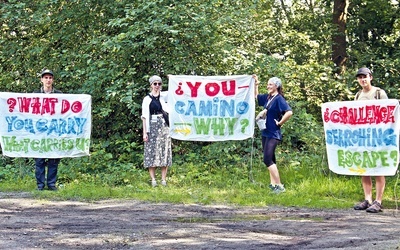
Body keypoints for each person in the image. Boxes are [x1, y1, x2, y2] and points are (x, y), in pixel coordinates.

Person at [353, 67, 388, 213]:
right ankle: (367, 199)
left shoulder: (379, 93)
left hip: (378, 137)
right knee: (364, 169)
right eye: (360, 77)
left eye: (365, 76)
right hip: (362, 137)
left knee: (378, 168)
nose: (363, 79)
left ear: (370, 77)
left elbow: (388, 112)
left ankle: (378, 201)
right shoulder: (358, 95)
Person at [253, 75, 293, 194]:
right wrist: (256, 83)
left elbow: (289, 112)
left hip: (273, 133)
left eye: (270, 84)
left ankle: (280, 186)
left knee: (267, 159)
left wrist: (280, 123)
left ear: (277, 86)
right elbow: (256, 97)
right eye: (268, 84)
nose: (268, 86)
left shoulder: (279, 98)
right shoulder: (268, 97)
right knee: (271, 159)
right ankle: (273, 185)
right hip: (265, 131)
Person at [33, 68, 62, 191]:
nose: (48, 80)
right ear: (41, 80)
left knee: (53, 159)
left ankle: (51, 184)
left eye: (50, 78)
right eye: (46, 78)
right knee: (39, 160)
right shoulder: (34, 95)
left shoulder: (60, 95)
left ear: (53, 80)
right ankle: (40, 185)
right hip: (39, 132)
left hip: (54, 132)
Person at [141, 75, 172, 187]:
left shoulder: (164, 96)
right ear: (151, 85)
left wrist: (171, 79)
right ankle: (153, 179)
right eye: (155, 83)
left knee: (164, 151)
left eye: (159, 83)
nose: (157, 86)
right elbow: (144, 116)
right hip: (152, 127)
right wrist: (145, 132)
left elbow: (176, 90)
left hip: (164, 126)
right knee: (151, 152)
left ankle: (163, 180)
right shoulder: (147, 99)